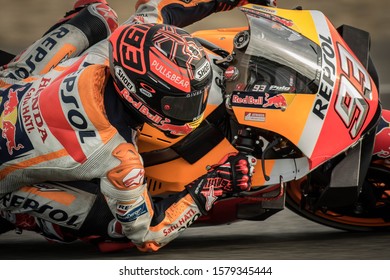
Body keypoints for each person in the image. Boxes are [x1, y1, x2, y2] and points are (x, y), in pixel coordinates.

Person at [0, 0, 279, 252]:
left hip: (10, 88)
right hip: (6, 178)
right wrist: (213, 185)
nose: (193, 108)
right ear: (140, 94)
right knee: (114, 226)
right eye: (180, 104)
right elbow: (147, 233)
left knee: (100, 14)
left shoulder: (109, 50)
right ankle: (19, 214)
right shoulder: (120, 159)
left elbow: (159, 6)